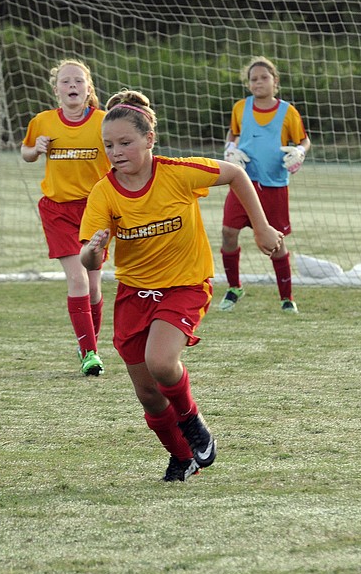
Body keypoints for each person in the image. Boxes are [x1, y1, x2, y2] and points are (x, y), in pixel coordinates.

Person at [80, 90, 284, 482]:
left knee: (161, 362)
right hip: (133, 293)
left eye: (125, 142)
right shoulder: (103, 193)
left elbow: (236, 174)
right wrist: (93, 250)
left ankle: (192, 420)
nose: (116, 151)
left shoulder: (177, 172)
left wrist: (261, 226)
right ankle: (181, 457)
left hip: (185, 286)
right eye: (108, 145)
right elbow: (90, 262)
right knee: (148, 394)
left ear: (149, 140)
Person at [21, 59, 110, 376]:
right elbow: (26, 153)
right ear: (56, 88)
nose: (72, 86)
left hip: (95, 211)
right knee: (77, 279)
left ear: (88, 89)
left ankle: (89, 342)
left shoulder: (103, 122)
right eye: (65, 81)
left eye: (78, 81)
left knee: (95, 287)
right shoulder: (43, 121)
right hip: (57, 209)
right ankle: (90, 353)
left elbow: (120, 155)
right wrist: (37, 149)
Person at [219, 56, 312, 313]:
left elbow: (304, 140)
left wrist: (300, 152)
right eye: (253, 79)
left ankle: (286, 298)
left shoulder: (287, 111)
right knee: (228, 232)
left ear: (275, 81)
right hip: (243, 182)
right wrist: (230, 148)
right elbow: (233, 133)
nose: (258, 82)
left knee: (276, 242)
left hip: (274, 185)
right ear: (248, 84)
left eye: (264, 78)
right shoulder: (240, 107)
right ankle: (234, 287)